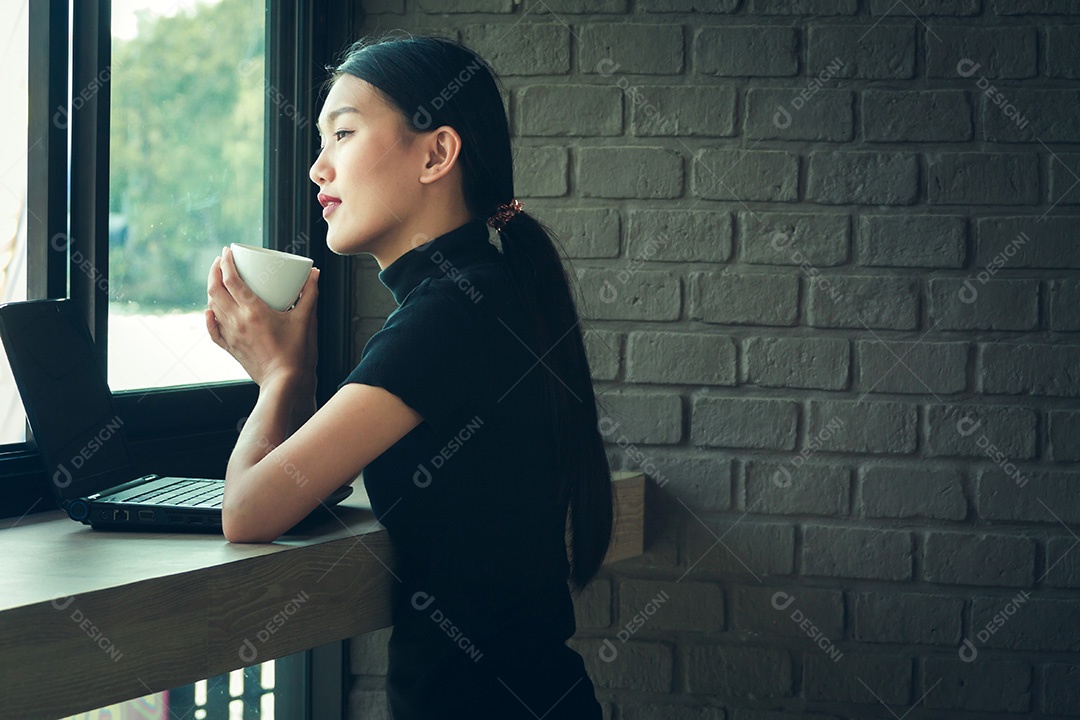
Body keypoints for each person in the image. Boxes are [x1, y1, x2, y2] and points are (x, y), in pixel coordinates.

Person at [204, 33, 614, 719]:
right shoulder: (483, 290)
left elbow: (247, 512)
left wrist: (279, 376)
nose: (316, 169)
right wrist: (296, 383)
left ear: (436, 153)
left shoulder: (449, 313)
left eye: (343, 133)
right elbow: (316, 479)